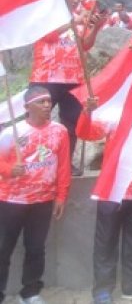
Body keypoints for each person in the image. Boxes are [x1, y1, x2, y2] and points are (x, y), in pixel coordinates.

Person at [77, 97, 132, 303]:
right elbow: (85, 133)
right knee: (105, 242)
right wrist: (86, 112)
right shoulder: (114, 119)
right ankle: (102, 290)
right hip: (111, 192)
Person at [0, 87, 71, 304]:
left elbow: (63, 167)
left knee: (36, 248)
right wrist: (10, 170)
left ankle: (30, 292)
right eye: (41, 102)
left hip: (43, 200)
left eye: (48, 101)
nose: (47, 105)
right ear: (27, 107)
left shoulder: (60, 131)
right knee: (3, 249)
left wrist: (61, 196)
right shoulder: (11, 132)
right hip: (11, 200)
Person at [29, 0, 104, 171]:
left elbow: (85, 45)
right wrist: (74, 22)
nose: (77, 0)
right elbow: (48, 36)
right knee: (36, 119)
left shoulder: (78, 18)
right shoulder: (46, 14)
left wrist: (94, 27)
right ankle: (32, 159)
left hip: (74, 79)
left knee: (72, 122)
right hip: (47, 76)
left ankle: (65, 164)